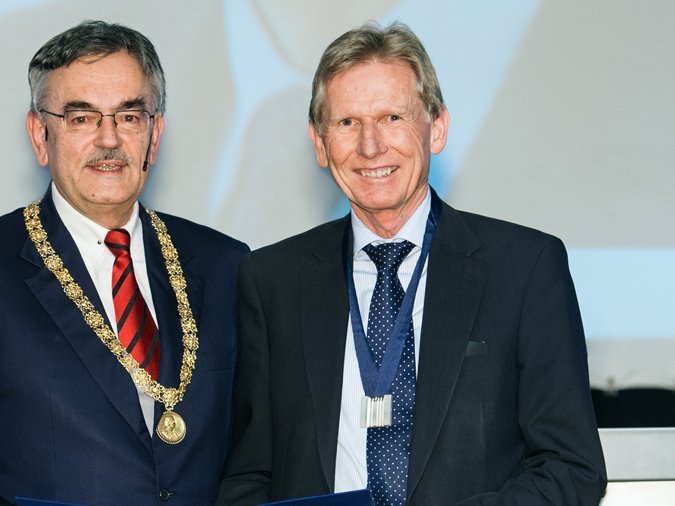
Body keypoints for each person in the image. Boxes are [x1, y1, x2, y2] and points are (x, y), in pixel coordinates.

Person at [217, 22, 606, 505]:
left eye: (393, 118)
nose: (371, 145)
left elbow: (571, 468)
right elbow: (249, 475)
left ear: (436, 128)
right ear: (319, 144)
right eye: (346, 123)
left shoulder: (525, 269)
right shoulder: (271, 281)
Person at [0, 20, 248, 505]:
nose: (109, 139)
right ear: (39, 135)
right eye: (81, 118)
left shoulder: (225, 265)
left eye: (129, 117)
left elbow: (253, 452)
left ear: (155, 135)